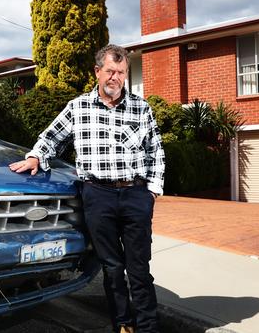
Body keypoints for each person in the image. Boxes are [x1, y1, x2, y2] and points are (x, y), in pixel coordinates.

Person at [9, 44, 165, 333]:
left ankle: (148, 328)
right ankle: (123, 325)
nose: (115, 78)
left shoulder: (142, 109)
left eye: (121, 72)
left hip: (135, 194)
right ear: (97, 72)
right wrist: (35, 156)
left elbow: (156, 151)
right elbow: (51, 137)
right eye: (110, 71)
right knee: (113, 269)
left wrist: (152, 192)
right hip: (97, 197)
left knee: (140, 270)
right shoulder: (78, 107)